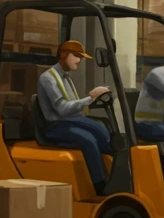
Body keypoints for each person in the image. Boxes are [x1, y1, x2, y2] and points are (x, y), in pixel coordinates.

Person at [40, 40, 112, 196]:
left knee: (101, 130)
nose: (79, 60)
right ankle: (99, 185)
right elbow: (62, 109)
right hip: (56, 126)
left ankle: (114, 172)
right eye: (76, 56)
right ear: (63, 55)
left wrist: (93, 100)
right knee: (88, 139)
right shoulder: (48, 79)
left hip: (70, 120)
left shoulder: (66, 78)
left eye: (80, 57)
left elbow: (74, 108)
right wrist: (90, 98)